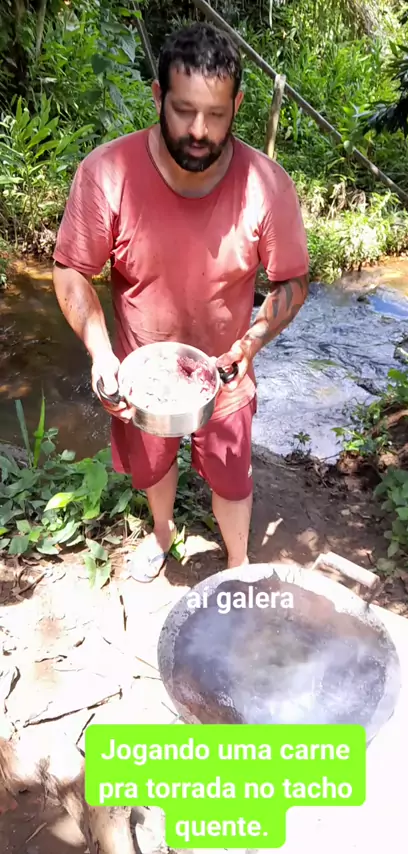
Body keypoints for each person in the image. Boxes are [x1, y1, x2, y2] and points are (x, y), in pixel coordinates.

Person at [52, 21, 310, 583]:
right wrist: (101, 352)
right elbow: (71, 270)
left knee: (232, 479)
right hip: (141, 373)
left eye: (216, 114)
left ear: (237, 105)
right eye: (184, 110)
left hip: (226, 369)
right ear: (157, 97)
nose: (199, 130)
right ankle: (162, 534)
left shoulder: (268, 186)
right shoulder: (107, 174)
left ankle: (238, 564)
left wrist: (253, 341)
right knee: (152, 467)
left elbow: (292, 283)